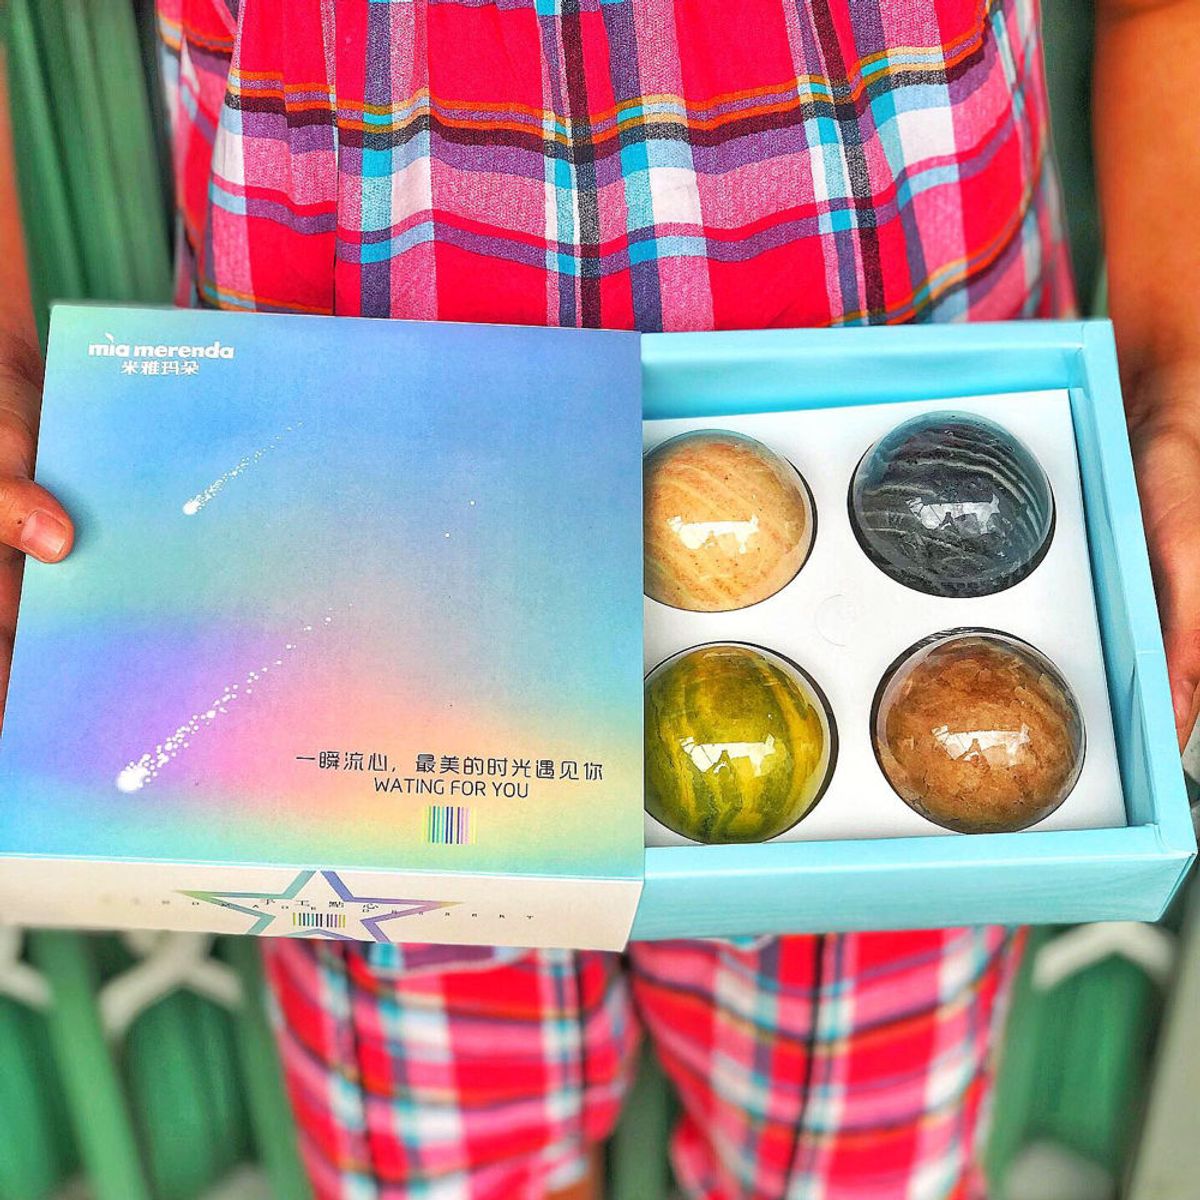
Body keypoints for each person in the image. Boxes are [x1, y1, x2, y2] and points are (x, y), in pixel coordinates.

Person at [2, 1, 1198, 1197]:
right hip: (349, 501)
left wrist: (1179, 377)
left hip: (898, 419)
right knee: (445, 1167)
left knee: (854, 1168)